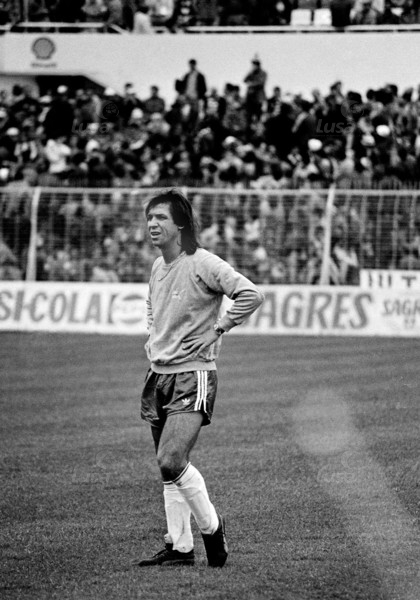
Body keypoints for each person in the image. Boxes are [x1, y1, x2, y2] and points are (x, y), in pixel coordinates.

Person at [133, 189, 264, 568]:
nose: (152, 224)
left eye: (160, 217)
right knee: (167, 468)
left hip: (193, 374)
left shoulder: (202, 262)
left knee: (172, 458)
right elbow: (151, 305)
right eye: (150, 217)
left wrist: (219, 328)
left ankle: (212, 526)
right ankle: (180, 547)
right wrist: (153, 333)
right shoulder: (158, 267)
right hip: (158, 375)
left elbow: (250, 294)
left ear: (181, 224)